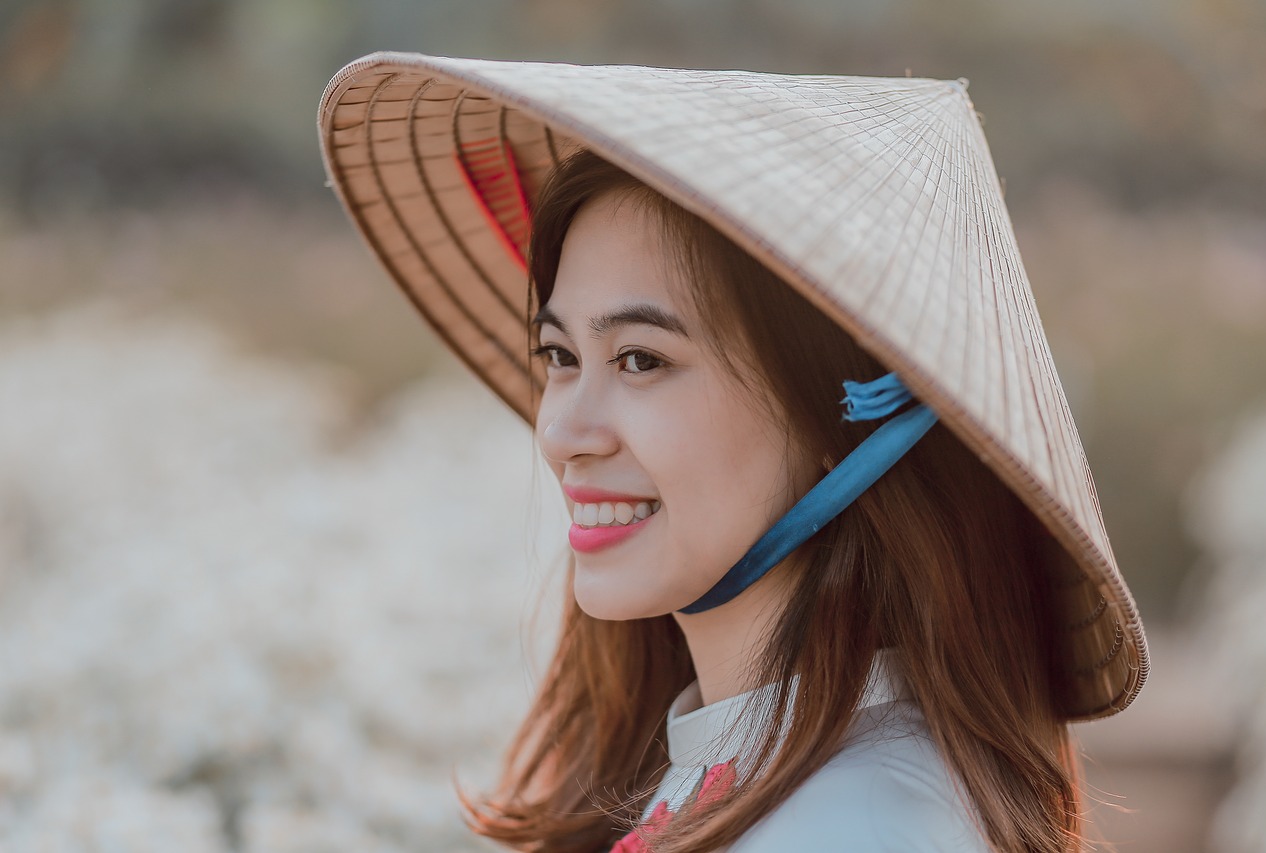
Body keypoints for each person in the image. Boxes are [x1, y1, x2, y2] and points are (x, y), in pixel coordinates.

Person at [317, 55, 1149, 852]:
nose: (565, 433)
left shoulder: (856, 826)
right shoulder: (746, 765)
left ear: (843, 420)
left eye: (642, 360)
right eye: (561, 357)